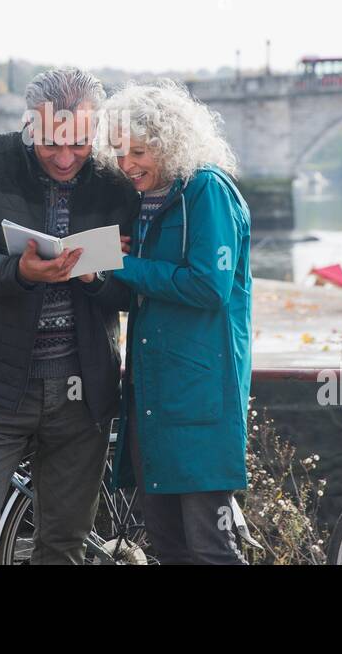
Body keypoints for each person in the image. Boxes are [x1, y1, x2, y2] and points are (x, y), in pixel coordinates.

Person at [0, 68, 138, 564]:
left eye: (79, 144)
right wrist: (20, 272)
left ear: (96, 131)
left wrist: (98, 275)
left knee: (62, 548)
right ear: (28, 125)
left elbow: (132, 290)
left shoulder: (116, 183)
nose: (65, 159)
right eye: (50, 144)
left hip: (82, 393)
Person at [95, 80, 253, 564]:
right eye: (120, 153)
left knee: (210, 545)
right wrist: (94, 267)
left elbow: (210, 286)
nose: (127, 165)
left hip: (201, 393)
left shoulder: (207, 190)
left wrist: (124, 265)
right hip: (154, 392)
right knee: (167, 544)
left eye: (139, 151)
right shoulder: (148, 196)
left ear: (170, 144)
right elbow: (147, 290)